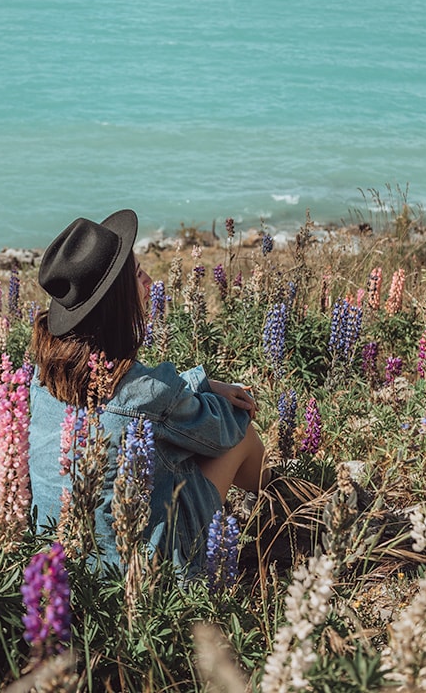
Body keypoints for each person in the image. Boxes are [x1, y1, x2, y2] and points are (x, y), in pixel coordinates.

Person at [28, 208, 271, 572]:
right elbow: (218, 432)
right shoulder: (145, 392)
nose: (148, 280)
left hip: (58, 566)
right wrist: (222, 398)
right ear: (120, 299)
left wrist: (203, 384)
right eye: (139, 272)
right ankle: (289, 509)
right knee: (240, 431)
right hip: (143, 576)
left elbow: (133, 405)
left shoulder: (41, 378)